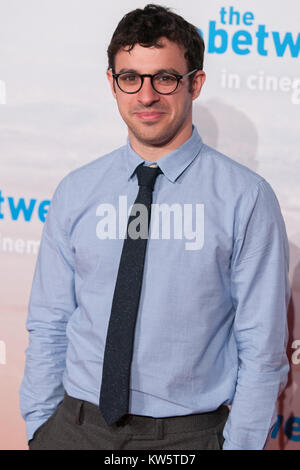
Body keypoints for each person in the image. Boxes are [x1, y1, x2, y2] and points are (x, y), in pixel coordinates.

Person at [20, 4, 290, 450]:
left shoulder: (246, 197)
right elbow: (50, 321)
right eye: (130, 77)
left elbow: (262, 349)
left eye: (165, 78)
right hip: (73, 428)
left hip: (188, 436)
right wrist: (41, 426)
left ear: (195, 83)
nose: (146, 96)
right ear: (112, 83)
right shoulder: (77, 190)